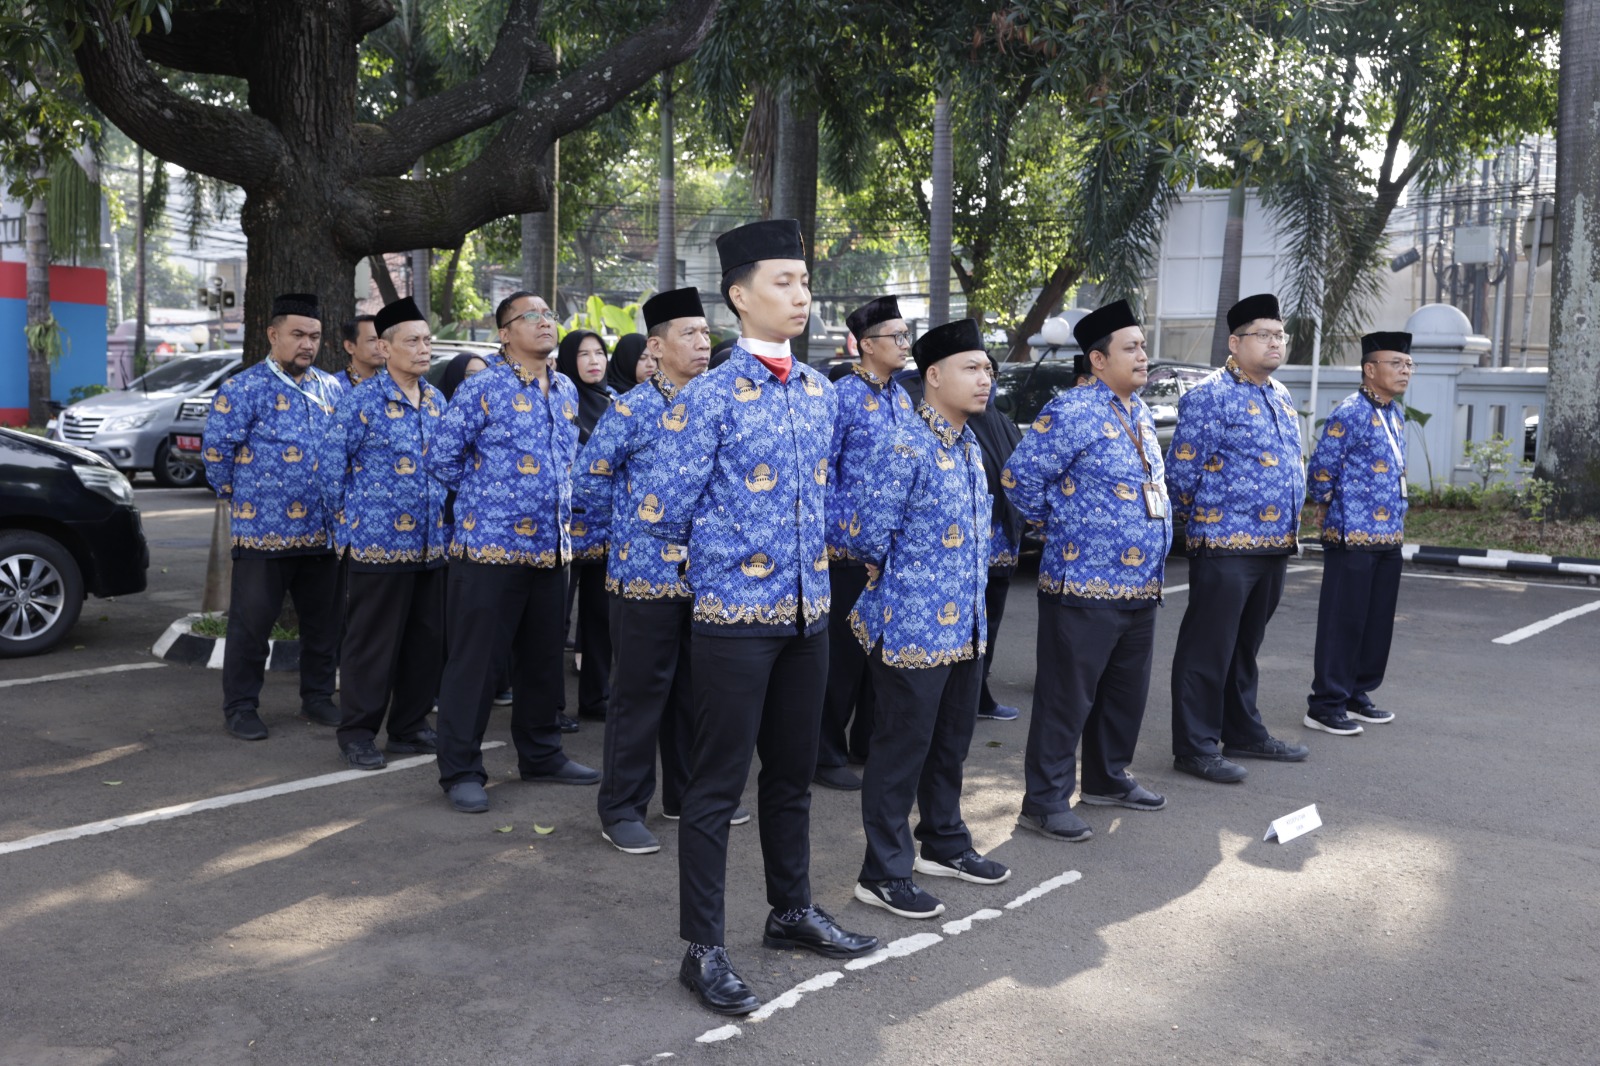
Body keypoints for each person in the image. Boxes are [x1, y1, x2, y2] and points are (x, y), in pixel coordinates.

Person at [642, 219, 878, 1016]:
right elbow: (659, 510)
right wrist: (719, 569)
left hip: (810, 618)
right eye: (784, 282)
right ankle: (702, 949)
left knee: (791, 778)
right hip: (734, 622)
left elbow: (832, 492)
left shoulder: (820, 392)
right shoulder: (708, 396)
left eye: (806, 283)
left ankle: (791, 910)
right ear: (739, 298)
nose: (801, 294)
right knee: (714, 790)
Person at [846, 318, 1009, 919]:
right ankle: (882, 872)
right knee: (900, 751)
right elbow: (866, 535)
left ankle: (943, 842)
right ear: (933, 377)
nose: (984, 379)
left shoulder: (969, 444)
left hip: (964, 627)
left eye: (988, 369)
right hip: (912, 627)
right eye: (972, 368)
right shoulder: (903, 444)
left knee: (950, 744)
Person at [1001, 300, 1172, 842]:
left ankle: (1106, 777)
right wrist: (1063, 529)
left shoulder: (1137, 410)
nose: (1143, 355)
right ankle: (1044, 801)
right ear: (1098, 360)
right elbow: (1019, 478)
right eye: (1131, 348)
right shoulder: (1072, 410)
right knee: (1066, 696)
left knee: (1125, 692)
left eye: (1143, 345)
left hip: (1140, 584)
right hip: (1082, 583)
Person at [426, 290, 600, 814]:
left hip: (552, 550)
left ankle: (542, 753)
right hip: (489, 551)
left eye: (550, 315)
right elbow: (442, 457)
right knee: (476, 665)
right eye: (532, 316)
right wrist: (488, 498)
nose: (546, 323)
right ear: (505, 333)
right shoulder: (483, 388)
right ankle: (459, 769)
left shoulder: (566, 389)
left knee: (543, 661)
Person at [575, 287, 726, 856]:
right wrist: (631, 531)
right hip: (642, 576)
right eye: (690, 334)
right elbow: (588, 479)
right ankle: (621, 807)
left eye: (707, 333)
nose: (703, 342)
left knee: (694, 691)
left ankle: (685, 794)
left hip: (707, 575)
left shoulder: (718, 403)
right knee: (639, 694)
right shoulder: (631, 408)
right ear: (657, 347)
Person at [1165, 293, 1310, 785]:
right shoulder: (1210, 395)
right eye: (1264, 335)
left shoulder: (1280, 393)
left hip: (1274, 545)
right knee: (1209, 647)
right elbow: (1180, 474)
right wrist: (1202, 526)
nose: (1275, 343)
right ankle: (1196, 746)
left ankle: (1242, 729)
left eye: (1279, 335)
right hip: (1226, 545)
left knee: (1246, 645)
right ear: (1235, 342)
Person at [201, 293, 344, 740]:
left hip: (321, 532)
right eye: (298, 334)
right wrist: (249, 498)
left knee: (324, 624)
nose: (307, 344)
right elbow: (216, 455)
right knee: (251, 624)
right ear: (273, 334)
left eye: (315, 336)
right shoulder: (243, 389)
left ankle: (318, 696)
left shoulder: (331, 388)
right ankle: (241, 706)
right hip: (263, 531)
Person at [319, 296, 449, 769]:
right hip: (376, 545)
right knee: (371, 644)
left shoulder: (436, 399)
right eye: (412, 341)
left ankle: (410, 726)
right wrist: (348, 525)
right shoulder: (361, 401)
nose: (423, 350)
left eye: (427, 341)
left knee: (425, 641)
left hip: (431, 544)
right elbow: (329, 471)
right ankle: (356, 733)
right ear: (385, 347)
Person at [815, 295, 915, 792]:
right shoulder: (843, 394)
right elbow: (823, 471)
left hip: (890, 550)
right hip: (848, 553)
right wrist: (843, 538)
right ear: (866, 345)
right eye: (896, 337)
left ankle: (866, 743)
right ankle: (825, 752)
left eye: (906, 335)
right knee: (842, 656)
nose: (905, 344)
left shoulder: (900, 396)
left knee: (879, 652)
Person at [1304, 331, 1413, 736]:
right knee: (1343, 621)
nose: (1405, 371)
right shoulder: (1349, 412)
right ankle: (1325, 704)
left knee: (1375, 621)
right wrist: (1340, 508)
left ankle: (1356, 693)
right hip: (1352, 536)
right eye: (1396, 364)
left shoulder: (1395, 413)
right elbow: (1321, 472)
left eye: (1408, 365)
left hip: (1389, 535)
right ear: (1370, 370)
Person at [556, 330, 615, 729]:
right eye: (583, 354)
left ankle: (597, 697)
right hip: (565, 531)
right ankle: (550, 706)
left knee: (601, 621)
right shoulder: (562, 401)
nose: (594, 361)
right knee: (554, 621)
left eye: (599, 353)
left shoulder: (614, 404)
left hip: (605, 530)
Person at [339, 314, 385, 389]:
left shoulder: (392, 384)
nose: (380, 346)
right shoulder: (334, 386)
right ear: (349, 347)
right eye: (371, 340)